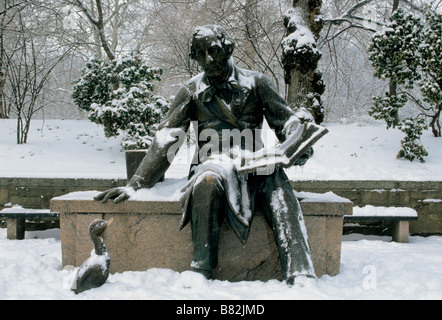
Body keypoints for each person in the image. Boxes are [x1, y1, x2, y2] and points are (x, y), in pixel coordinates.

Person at [95, 25, 319, 284]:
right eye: (200, 54)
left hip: (254, 163)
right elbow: (168, 136)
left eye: (213, 51)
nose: (208, 60)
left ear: (228, 49)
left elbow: (286, 121)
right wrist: (136, 184)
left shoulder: (258, 83)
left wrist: (299, 136)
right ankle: (201, 268)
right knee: (208, 180)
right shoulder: (191, 90)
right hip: (212, 163)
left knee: (278, 183)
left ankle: (300, 270)